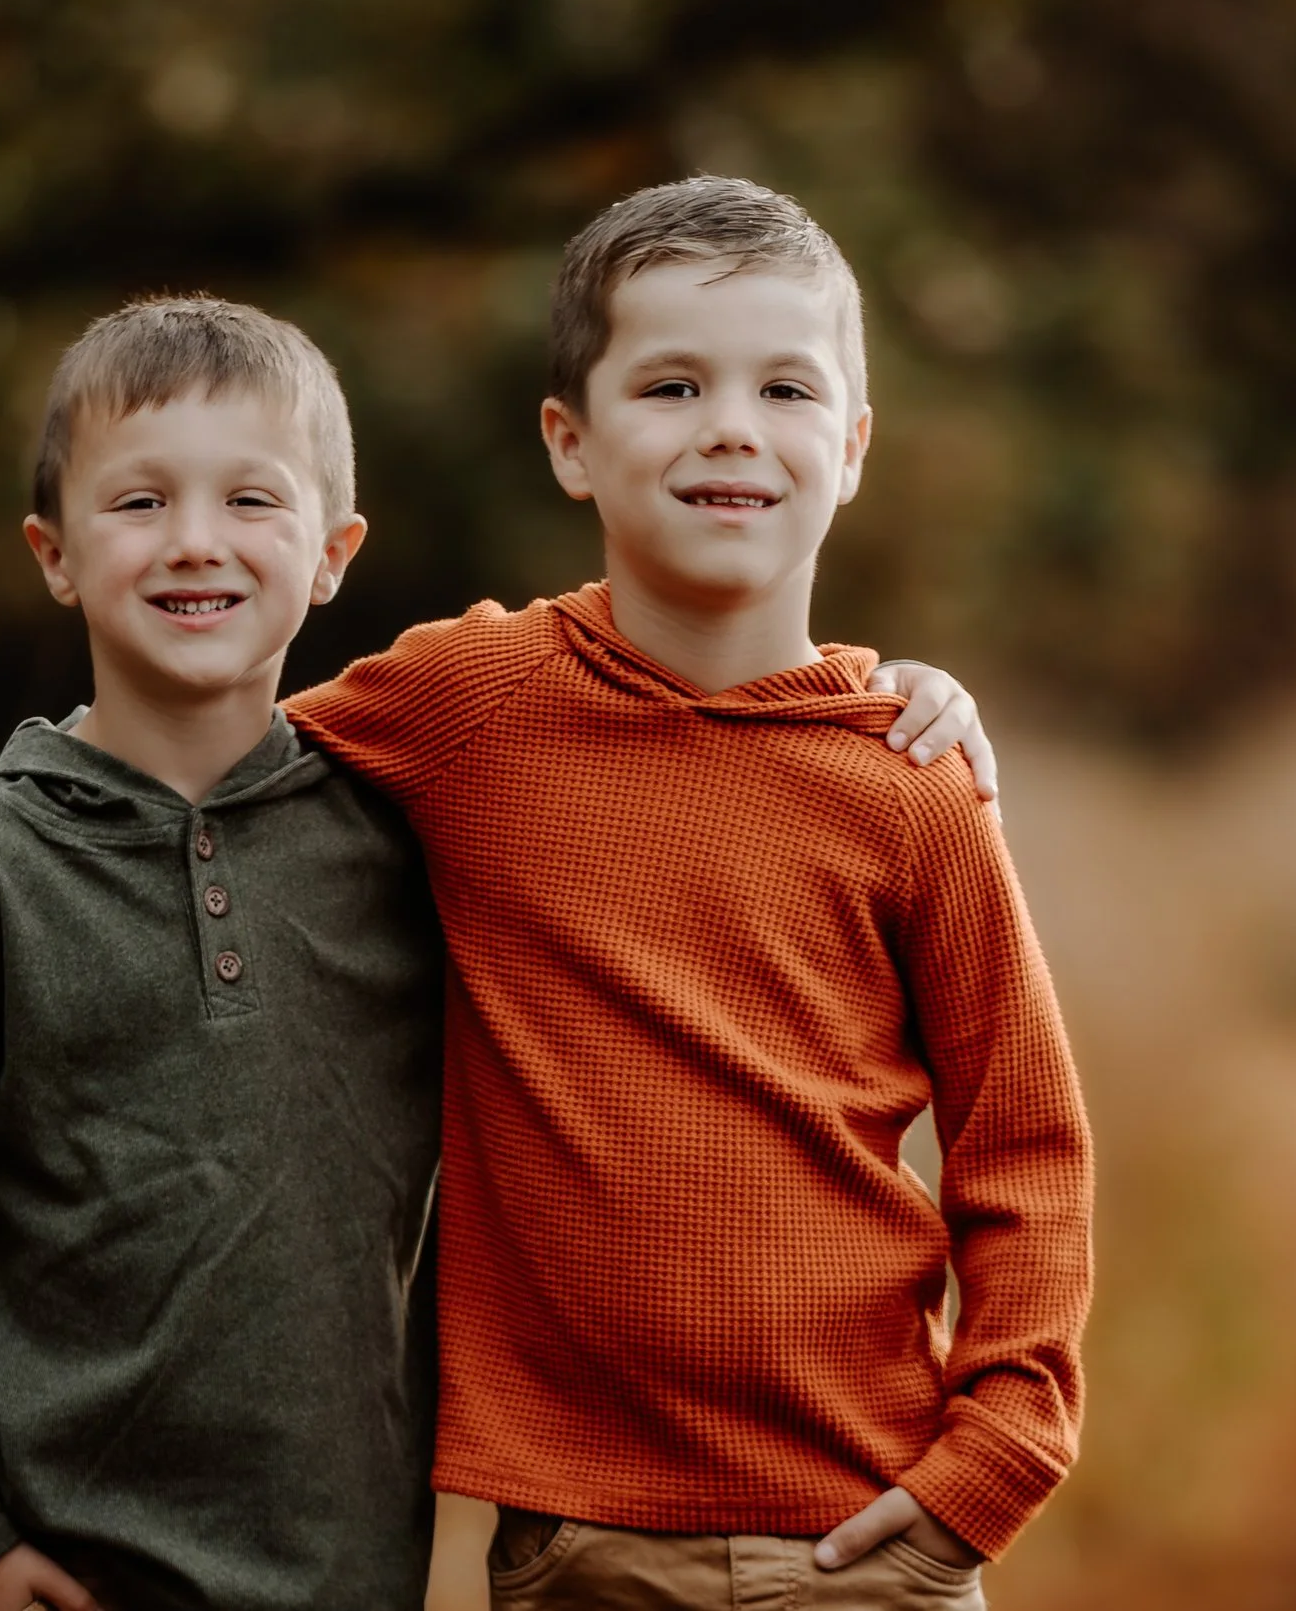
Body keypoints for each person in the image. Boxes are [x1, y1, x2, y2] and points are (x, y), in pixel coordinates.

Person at [0, 293, 996, 1611]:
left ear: (333, 553)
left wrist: (868, 698)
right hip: (64, 1563)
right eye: (139, 503)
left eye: (250, 502)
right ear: (53, 552)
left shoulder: (400, 827)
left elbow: (667, 770)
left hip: (352, 1568)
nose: (194, 542)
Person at [286, 177, 1093, 1610]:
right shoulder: (471, 704)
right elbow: (219, 765)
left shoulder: (911, 777)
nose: (732, 424)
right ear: (571, 443)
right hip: (578, 1542)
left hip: (871, 1537)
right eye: (671, 383)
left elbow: (1022, 1142)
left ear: (849, 448)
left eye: (786, 387)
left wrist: (998, 1458)